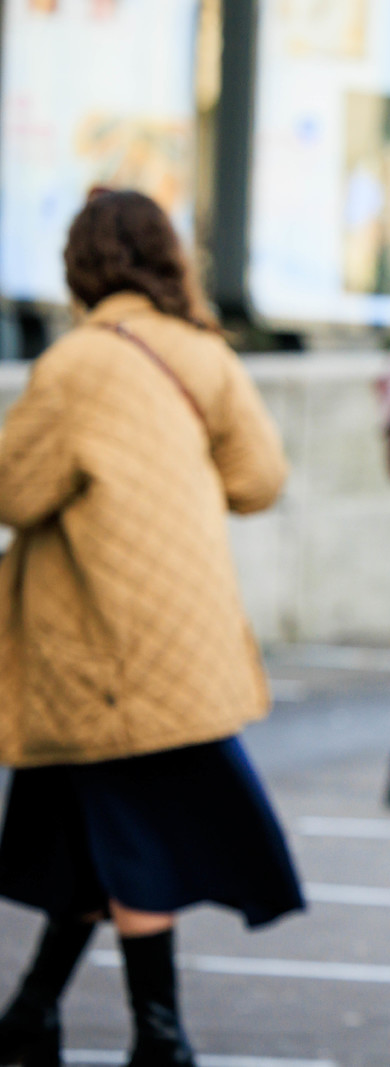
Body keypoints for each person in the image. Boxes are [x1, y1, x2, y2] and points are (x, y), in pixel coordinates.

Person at [0, 189, 303, 1067]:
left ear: (80, 266)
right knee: (89, 836)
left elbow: (14, 491)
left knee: (127, 840)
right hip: (187, 637)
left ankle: (160, 1036)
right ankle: (30, 1016)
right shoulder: (203, 352)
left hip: (100, 643)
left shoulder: (77, 363)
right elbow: (259, 480)